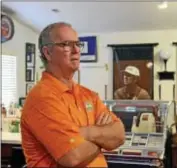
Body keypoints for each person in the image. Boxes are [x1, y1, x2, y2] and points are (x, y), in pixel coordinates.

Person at [21, 22, 125, 168]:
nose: (76, 50)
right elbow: (73, 157)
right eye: (66, 44)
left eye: (77, 44)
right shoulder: (42, 97)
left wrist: (87, 133)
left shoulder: (89, 95)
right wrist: (102, 139)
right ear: (48, 53)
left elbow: (119, 135)